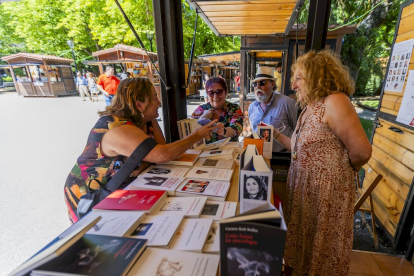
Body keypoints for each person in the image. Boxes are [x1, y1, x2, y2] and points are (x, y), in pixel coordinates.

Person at [64, 78, 218, 224]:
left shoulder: (146, 121)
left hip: (120, 191)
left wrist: (151, 119)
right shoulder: (115, 126)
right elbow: (162, 154)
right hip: (93, 194)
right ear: (139, 105)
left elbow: (159, 148)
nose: (158, 102)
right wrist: (197, 135)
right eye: (154, 98)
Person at [274, 50, 372, 276]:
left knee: (322, 250)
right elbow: (300, 149)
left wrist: (335, 170)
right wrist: (276, 135)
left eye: (298, 78)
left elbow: (361, 151)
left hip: (326, 192)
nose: (294, 85)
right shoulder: (310, 107)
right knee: (304, 248)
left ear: (317, 76)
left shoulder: (335, 101)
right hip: (304, 189)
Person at [248, 66, 297, 152]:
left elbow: (297, 131)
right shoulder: (252, 107)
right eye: (255, 84)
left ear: (272, 84)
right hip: (259, 155)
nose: (258, 87)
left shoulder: (287, 103)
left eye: (262, 83)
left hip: (282, 157)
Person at [191, 77, 243, 144]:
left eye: (219, 92)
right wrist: (202, 118)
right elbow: (190, 133)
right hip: (204, 152)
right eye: (211, 93)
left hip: (229, 152)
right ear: (207, 94)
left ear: (226, 92)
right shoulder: (201, 110)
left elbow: (237, 129)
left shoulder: (233, 108)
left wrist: (223, 131)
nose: (215, 96)